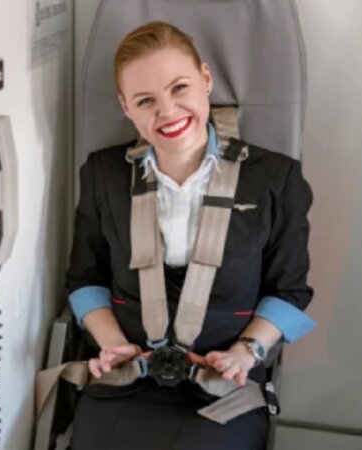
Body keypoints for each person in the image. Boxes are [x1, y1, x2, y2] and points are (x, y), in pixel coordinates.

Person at [66, 21, 316, 449]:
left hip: (225, 384)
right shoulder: (103, 176)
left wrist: (246, 353)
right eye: (146, 100)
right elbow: (85, 280)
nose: (167, 111)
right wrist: (112, 345)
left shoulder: (277, 180)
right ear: (126, 108)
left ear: (205, 79)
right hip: (127, 376)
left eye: (179, 88)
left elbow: (289, 292)